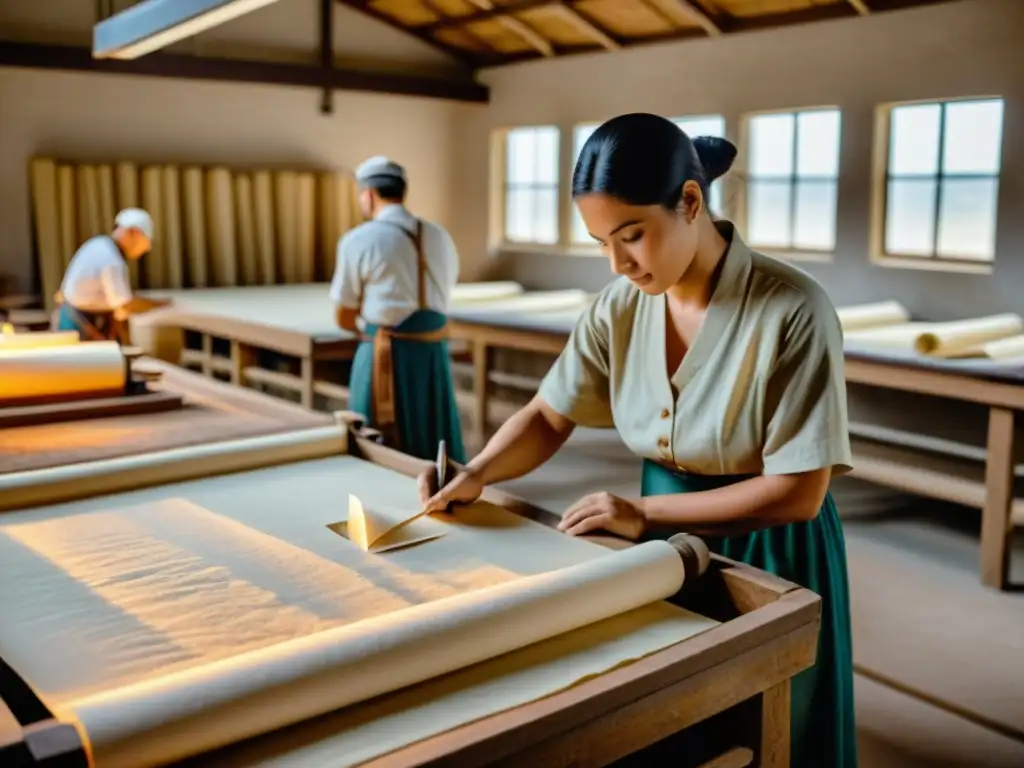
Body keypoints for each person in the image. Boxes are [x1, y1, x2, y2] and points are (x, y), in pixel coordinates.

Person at [418, 114, 856, 767]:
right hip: (661, 540)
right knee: (663, 713)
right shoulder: (618, 308)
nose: (618, 263)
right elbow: (548, 414)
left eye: (632, 236)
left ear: (689, 201)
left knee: (779, 724)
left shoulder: (792, 308)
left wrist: (647, 513)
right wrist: (478, 472)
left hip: (771, 542)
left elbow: (797, 491)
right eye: (601, 242)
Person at [330, 155, 464, 462]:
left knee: (374, 436)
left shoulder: (359, 239)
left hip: (384, 351)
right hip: (432, 350)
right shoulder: (439, 235)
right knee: (433, 430)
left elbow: (344, 315)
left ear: (369, 195)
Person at [54, 207, 167, 343]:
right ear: (133, 233)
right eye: (145, 243)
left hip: (73, 315)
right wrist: (159, 304)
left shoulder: (98, 244)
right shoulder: (112, 260)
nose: (145, 249)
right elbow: (124, 305)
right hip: (80, 323)